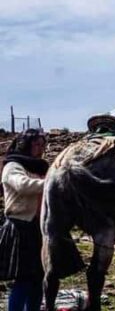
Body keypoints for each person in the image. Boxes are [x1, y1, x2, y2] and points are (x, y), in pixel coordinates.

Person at [0, 129, 49, 311]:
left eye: (43, 144)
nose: (41, 148)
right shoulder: (12, 166)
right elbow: (23, 185)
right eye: (37, 144)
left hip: (38, 227)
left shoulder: (41, 168)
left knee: (39, 277)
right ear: (26, 145)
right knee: (24, 279)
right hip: (20, 227)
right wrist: (53, 181)